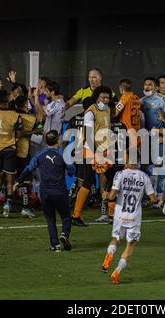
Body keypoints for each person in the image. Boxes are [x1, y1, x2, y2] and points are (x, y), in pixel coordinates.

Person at [15, 130, 75, 252]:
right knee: (66, 216)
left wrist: (19, 181)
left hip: (45, 192)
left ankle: (55, 245)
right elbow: (71, 171)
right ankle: (64, 234)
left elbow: (29, 168)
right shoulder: (63, 155)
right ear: (57, 140)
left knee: (50, 218)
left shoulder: (39, 155)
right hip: (59, 191)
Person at [101, 157, 157, 284]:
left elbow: (112, 196)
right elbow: (153, 199)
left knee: (115, 239)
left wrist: (105, 195)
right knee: (130, 244)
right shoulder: (144, 177)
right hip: (134, 217)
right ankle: (117, 271)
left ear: (127, 161)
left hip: (120, 215)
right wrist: (153, 201)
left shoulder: (120, 174)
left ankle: (109, 254)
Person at [71, 86, 114, 226]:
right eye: (103, 97)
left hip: (104, 149)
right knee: (87, 182)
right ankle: (76, 215)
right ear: (97, 97)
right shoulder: (90, 112)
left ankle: (111, 214)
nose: (106, 100)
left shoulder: (108, 110)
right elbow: (89, 136)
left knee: (112, 179)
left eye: (107, 97)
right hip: (91, 151)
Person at [0, 90, 22, 218]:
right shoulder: (15, 115)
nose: (13, 98)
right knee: (9, 179)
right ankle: (7, 205)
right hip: (10, 149)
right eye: (11, 96)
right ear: (7, 100)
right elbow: (19, 131)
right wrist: (14, 140)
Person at [140, 77, 165, 200]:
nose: (147, 87)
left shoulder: (160, 101)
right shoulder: (141, 101)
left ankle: (160, 195)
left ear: (156, 88)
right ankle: (149, 196)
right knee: (147, 167)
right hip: (146, 139)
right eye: (145, 84)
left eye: (150, 85)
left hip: (159, 138)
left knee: (160, 167)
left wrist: (164, 136)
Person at [15, 95, 43, 218]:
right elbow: (40, 128)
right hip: (23, 152)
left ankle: (5, 204)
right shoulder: (30, 118)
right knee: (26, 180)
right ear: (25, 105)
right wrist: (33, 131)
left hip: (9, 150)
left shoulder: (11, 115)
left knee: (9, 179)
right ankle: (25, 207)